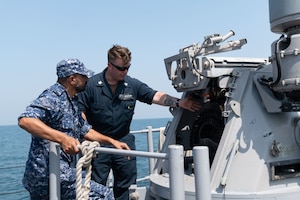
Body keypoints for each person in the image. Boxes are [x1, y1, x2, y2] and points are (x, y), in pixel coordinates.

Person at [78, 45, 201, 200]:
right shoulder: (91, 85)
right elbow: (80, 115)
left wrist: (179, 103)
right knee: (95, 186)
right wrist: (87, 138)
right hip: (97, 144)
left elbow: (155, 96)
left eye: (127, 68)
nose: (125, 72)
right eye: (121, 68)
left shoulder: (132, 85)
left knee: (125, 187)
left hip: (123, 142)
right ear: (109, 65)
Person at [18, 58, 131, 200]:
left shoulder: (72, 101)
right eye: (84, 77)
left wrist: (112, 142)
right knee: (104, 194)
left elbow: (85, 130)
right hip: (46, 174)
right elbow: (25, 120)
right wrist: (63, 138)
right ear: (72, 79)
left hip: (63, 172)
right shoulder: (53, 97)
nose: (87, 80)